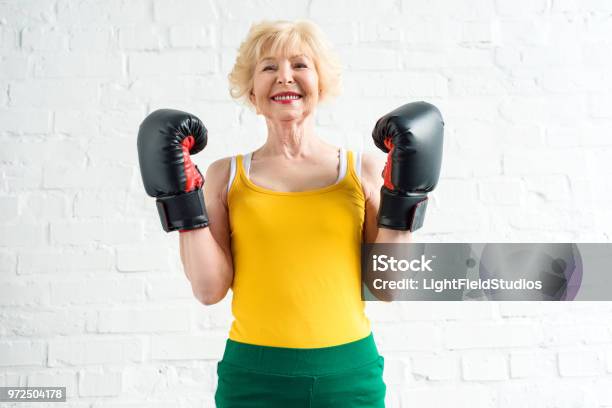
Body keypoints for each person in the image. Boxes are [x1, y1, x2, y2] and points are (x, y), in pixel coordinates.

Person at [137, 19, 443, 408]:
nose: (284, 77)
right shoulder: (224, 176)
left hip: (348, 375)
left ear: (321, 82)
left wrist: (404, 196)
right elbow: (209, 289)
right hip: (253, 375)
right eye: (268, 67)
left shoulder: (359, 171)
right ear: (251, 89)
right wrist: (181, 200)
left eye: (300, 65)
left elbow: (388, 286)